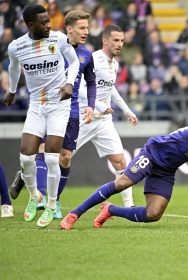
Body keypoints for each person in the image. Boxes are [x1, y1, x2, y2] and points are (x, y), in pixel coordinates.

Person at [60, 103, 188, 230]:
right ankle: (74, 215)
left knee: (153, 215)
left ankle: (110, 210)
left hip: (167, 169)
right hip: (152, 153)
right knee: (122, 183)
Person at [8, 10, 96, 220]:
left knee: (52, 157)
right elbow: (13, 68)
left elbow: (74, 63)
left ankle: (50, 204)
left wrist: (68, 83)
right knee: (26, 157)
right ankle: (34, 195)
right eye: (44, 23)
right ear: (30, 25)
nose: (49, 25)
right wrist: (11, 90)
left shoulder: (58, 39)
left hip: (60, 106)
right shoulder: (16, 46)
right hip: (37, 105)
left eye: (49, 21)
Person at [74, 24, 139, 208]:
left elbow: (111, 89)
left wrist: (127, 110)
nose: (120, 44)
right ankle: (38, 190)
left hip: (104, 121)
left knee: (120, 161)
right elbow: (81, 88)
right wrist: (100, 105)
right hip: (85, 116)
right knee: (62, 157)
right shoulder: (92, 59)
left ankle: (129, 205)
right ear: (105, 40)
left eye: (122, 41)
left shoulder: (115, 64)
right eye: (116, 40)